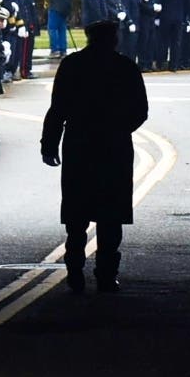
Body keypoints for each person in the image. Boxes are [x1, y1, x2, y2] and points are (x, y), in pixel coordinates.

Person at [41, 19, 149, 293]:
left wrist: (49, 144)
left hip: (79, 143)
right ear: (113, 39)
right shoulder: (125, 66)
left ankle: (75, 271)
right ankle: (106, 274)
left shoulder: (72, 65)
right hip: (114, 146)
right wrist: (120, 128)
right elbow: (141, 110)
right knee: (110, 215)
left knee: (77, 214)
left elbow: (58, 108)